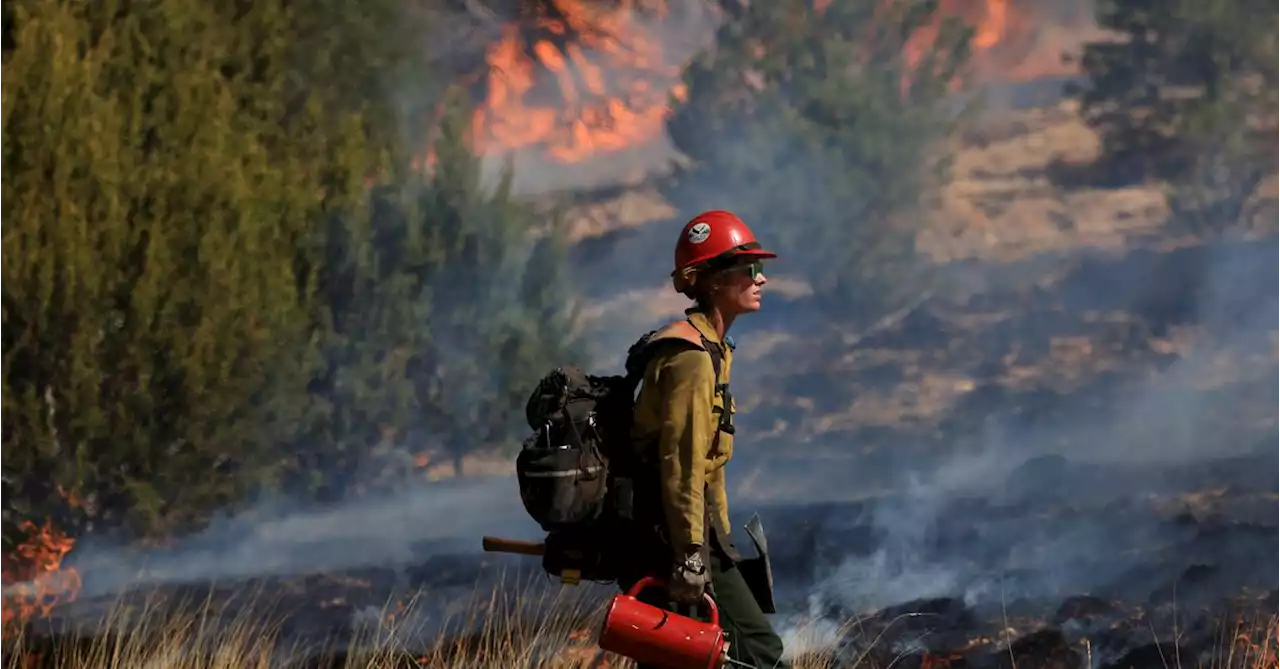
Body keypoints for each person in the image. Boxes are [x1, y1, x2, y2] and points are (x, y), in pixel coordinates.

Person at [616, 210, 789, 669]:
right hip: (675, 537)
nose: (762, 279)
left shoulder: (711, 348)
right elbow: (681, 464)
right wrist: (692, 555)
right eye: (749, 269)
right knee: (760, 653)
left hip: (679, 533)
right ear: (713, 281)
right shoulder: (691, 359)